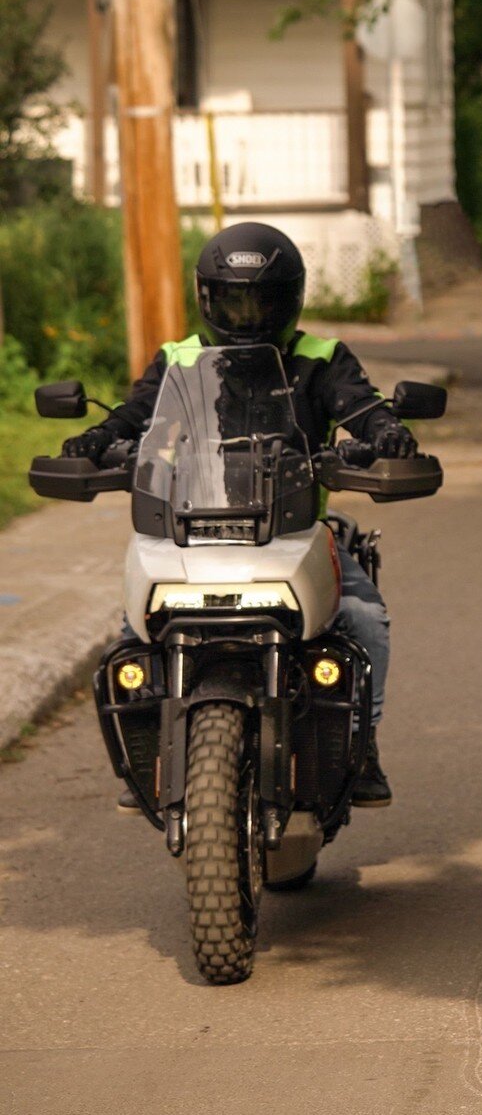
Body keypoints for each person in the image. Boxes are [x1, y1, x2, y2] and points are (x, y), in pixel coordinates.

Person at [61, 222, 417, 810]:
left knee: (364, 616)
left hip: (296, 529)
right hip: (191, 526)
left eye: (263, 301)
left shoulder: (321, 357)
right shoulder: (180, 360)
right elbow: (137, 417)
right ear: (207, 298)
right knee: (134, 627)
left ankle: (361, 742)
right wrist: (98, 439)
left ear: (290, 300)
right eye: (234, 300)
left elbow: (362, 406)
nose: (249, 315)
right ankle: (149, 754)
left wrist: (388, 432)